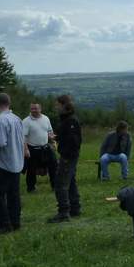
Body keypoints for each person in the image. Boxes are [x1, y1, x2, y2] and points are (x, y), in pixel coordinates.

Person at [0, 93, 26, 234]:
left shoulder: (0, 119)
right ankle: (15, 221)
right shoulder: (16, 118)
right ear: (9, 103)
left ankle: (4, 223)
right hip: (16, 162)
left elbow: (0, 142)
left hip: (3, 163)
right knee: (13, 195)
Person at [49, 94, 82, 223]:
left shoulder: (71, 121)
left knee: (60, 184)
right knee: (71, 182)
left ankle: (63, 212)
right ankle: (75, 208)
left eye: (57, 104)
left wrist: (67, 155)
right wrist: (56, 137)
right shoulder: (65, 119)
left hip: (68, 156)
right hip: (69, 155)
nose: (56, 107)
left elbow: (74, 141)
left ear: (64, 105)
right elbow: (64, 134)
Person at [22, 102, 57, 192]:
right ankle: (31, 188)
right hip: (32, 149)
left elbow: (50, 132)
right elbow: (23, 137)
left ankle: (55, 186)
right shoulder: (26, 121)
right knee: (31, 170)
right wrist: (25, 149)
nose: (33, 110)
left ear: (40, 109)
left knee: (54, 165)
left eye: (35, 108)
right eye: (32, 108)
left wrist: (53, 142)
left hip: (45, 147)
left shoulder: (46, 118)